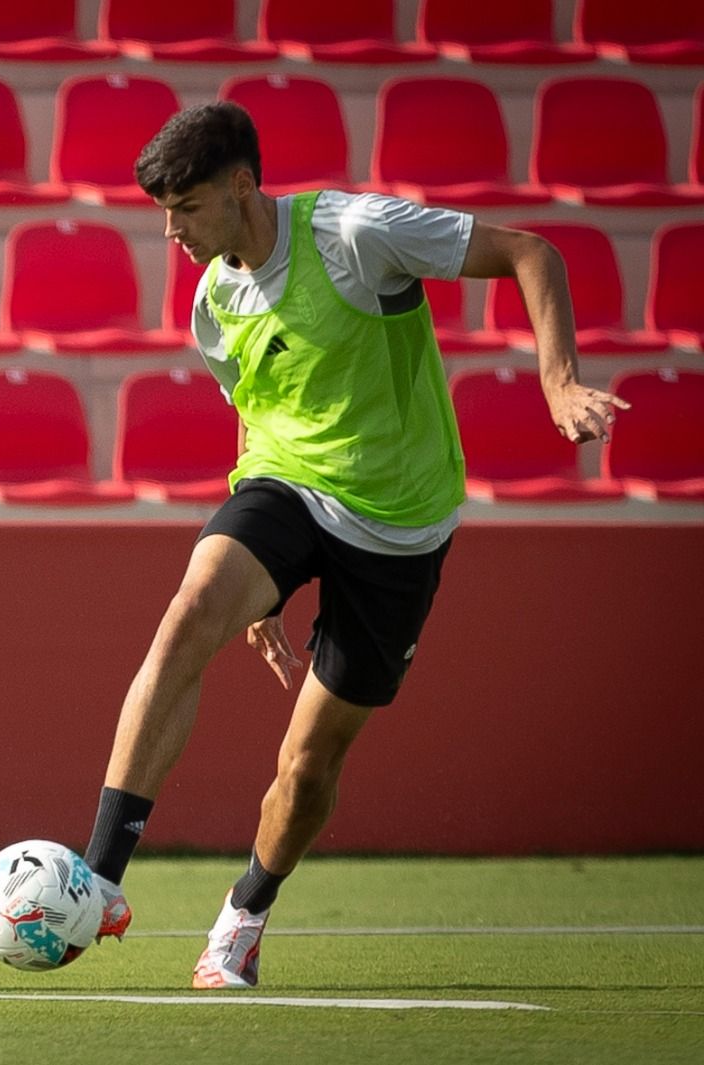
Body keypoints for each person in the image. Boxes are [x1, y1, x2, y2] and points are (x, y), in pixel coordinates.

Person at [79, 103, 627, 989]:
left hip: (401, 525)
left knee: (305, 767)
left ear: (243, 185)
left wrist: (558, 383)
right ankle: (98, 877)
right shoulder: (215, 303)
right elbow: (259, 418)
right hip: (285, 484)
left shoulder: (355, 232)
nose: (171, 230)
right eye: (163, 211)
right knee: (188, 616)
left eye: (185, 207)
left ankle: (245, 912)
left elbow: (534, 253)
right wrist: (264, 585)